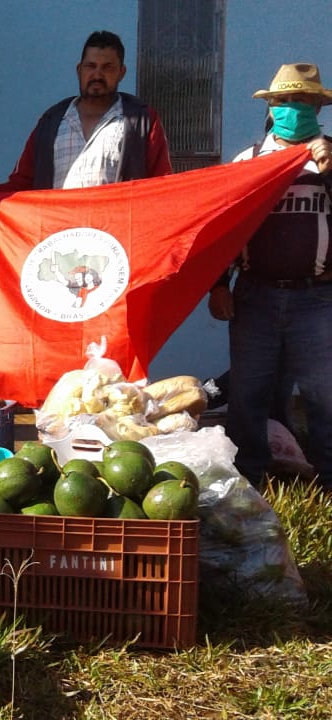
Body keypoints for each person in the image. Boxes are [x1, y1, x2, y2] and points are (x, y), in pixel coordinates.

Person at [208, 62, 332, 487]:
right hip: (255, 296)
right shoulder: (249, 160)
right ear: (271, 107)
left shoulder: (330, 158)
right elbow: (224, 226)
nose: (292, 108)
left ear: (317, 106)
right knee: (247, 396)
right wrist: (219, 285)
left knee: (324, 398)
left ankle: (328, 491)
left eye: (302, 101)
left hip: (317, 299)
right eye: (284, 101)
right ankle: (249, 492)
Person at [0, 31, 172, 195]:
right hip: (60, 241)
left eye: (107, 67)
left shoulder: (141, 121)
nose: (97, 75)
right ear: (79, 70)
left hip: (115, 242)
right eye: (91, 66)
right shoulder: (51, 122)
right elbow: (24, 182)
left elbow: (161, 185)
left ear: (121, 72)